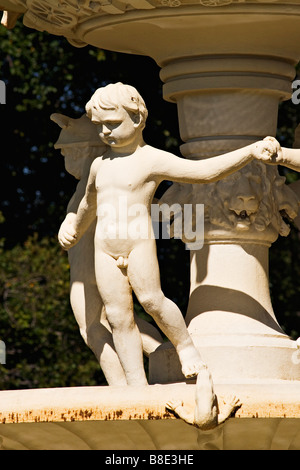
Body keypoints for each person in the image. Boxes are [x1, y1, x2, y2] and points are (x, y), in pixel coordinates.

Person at [58, 82, 280, 386]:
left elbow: (204, 173)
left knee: (152, 300)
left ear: (137, 120)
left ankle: (186, 349)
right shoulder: (99, 165)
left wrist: (249, 153)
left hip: (137, 243)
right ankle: (136, 386)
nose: (105, 132)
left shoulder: (151, 159)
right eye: (99, 126)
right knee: (118, 316)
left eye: (112, 124)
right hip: (103, 247)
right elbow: (88, 203)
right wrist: (73, 226)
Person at [51, 112, 162, 386]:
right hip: (91, 266)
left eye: (67, 151)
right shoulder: (98, 179)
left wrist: (68, 221)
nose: (64, 158)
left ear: (84, 150)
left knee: (93, 327)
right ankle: (161, 355)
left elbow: (85, 211)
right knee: (118, 321)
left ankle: (124, 384)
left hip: (89, 270)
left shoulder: (97, 178)